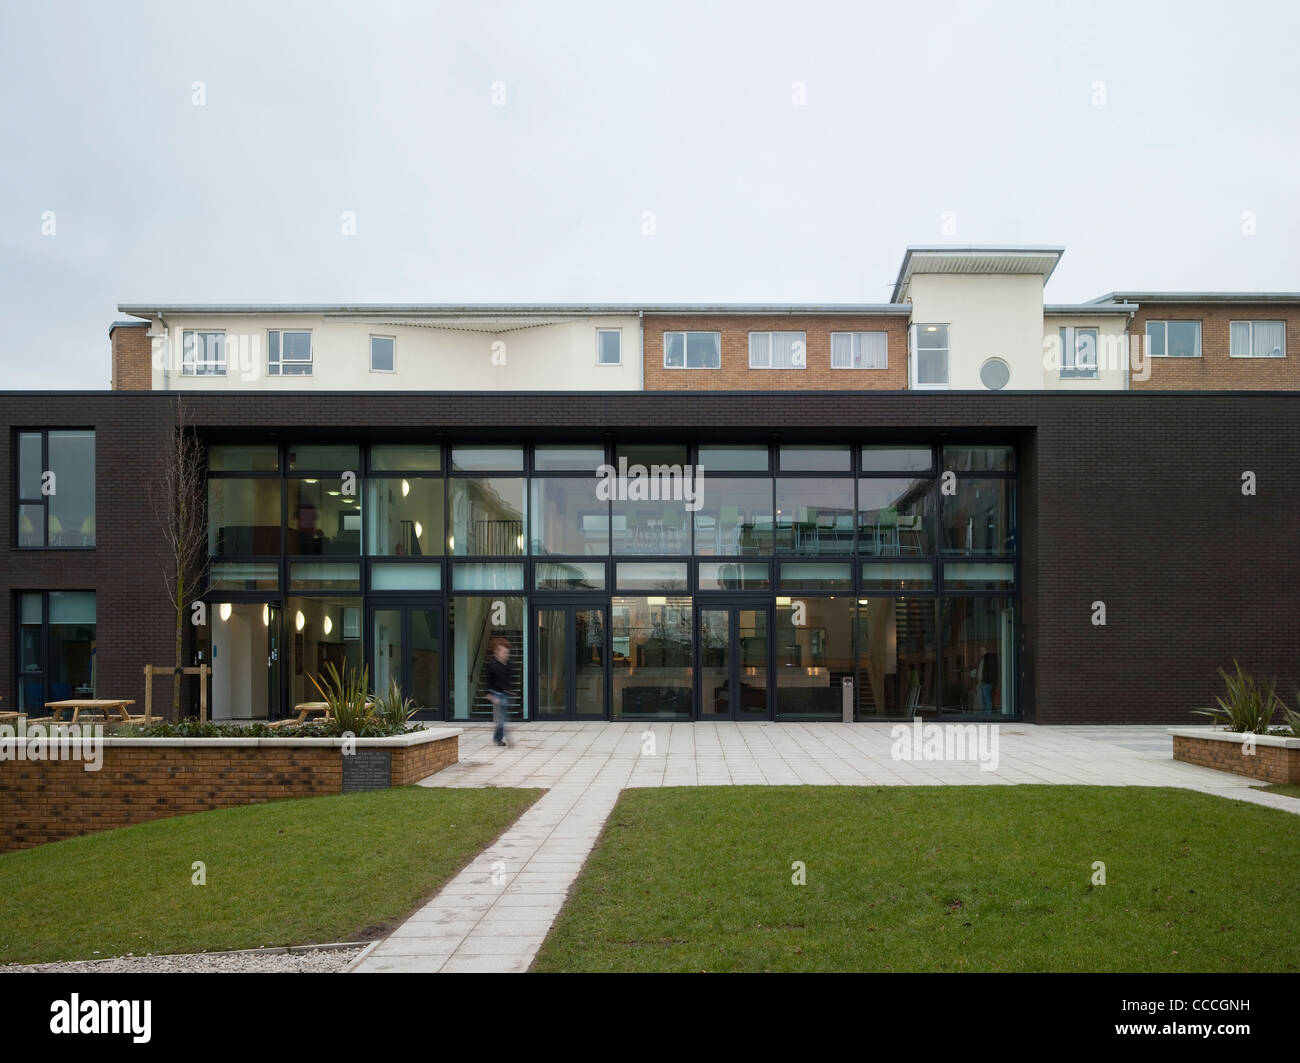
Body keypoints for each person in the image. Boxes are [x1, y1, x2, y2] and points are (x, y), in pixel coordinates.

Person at [487, 636, 513, 747]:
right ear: (497, 652)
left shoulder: (508, 664)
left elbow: (509, 679)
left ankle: (497, 737)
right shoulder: (492, 665)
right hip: (496, 694)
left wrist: (509, 690)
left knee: (504, 718)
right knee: (501, 719)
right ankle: (499, 739)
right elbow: (488, 681)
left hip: (505, 694)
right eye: (504, 652)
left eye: (508, 653)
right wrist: (490, 694)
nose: (507, 655)